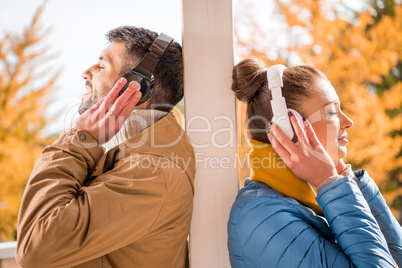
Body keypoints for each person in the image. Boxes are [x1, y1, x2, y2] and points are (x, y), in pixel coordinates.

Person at [16, 26, 195, 268]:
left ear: (138, 87)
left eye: (101, 66)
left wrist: (79, 139)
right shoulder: (134, 152)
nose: (86, 73)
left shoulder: (152, 173)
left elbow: (35, 250)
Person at [227, 58, 402, 267]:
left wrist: (346, 182)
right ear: (288, 129)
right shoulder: (261, 217)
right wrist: (330, 181)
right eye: (331, 112)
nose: (348, 122)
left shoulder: (315, 197)